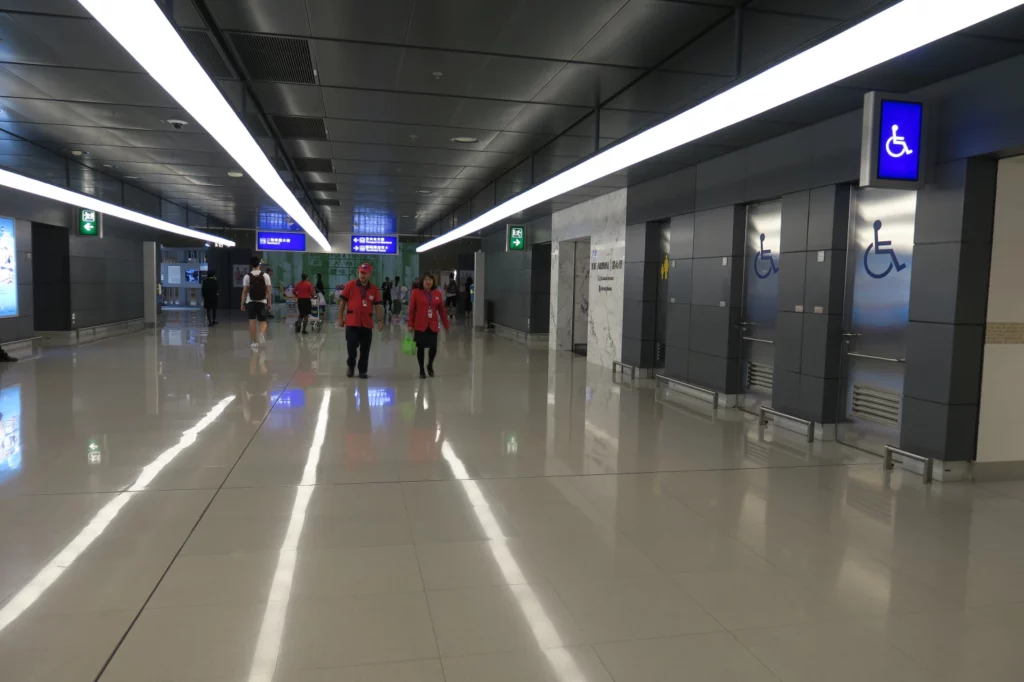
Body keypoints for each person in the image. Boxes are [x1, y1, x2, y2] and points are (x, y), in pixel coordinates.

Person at [337, 263, 384, 378]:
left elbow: (378, 306)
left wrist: (380, 320)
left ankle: (362, 370)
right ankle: (351, 366)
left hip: (367, 324)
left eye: (365, 273)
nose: (362, 275)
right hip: (352, 322)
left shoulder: (374, 289)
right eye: (361, 272)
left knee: (365, 349)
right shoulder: (350, 285)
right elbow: (342, 302)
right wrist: (340, 318)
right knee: (351, 347)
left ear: (370, 274)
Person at [408, 271, 450, 378]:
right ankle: (421, 369)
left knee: (433, 347)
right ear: (422, 281)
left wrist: (446, 324)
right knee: (421, 348)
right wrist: (410, 324)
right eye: (426, 280)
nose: (428, 282)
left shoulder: (437, 293)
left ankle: (430, 365)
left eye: (430, 280)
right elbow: (411, 309)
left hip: (433, 324)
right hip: (420, 324)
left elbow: (442, 311)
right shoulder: (416, 292)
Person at [241, 256, 272, 351]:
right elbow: (268, 291)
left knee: (252, 321)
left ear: (251, 265)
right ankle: (262, 333)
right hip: (262, 302)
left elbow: (245, 291)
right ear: (259, 264)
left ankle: (254, 342)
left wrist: (242, 303)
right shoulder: (265, 276)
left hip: (251, 302)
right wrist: (269, 303)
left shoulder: (247, 276)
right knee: (263, 321)